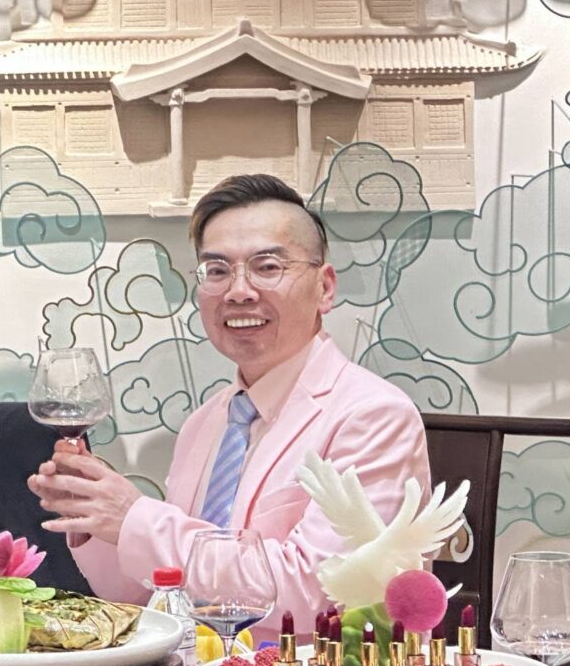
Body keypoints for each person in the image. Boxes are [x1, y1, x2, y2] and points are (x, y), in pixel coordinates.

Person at [28, 174, 430, 637]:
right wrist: (97, 521)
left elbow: (317, 595)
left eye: (267, 267)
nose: (239, 291)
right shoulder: (206, 422)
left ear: (324, 287)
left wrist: (135, 518)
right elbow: (158, 593)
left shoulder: (374, 416)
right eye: (217, 271)